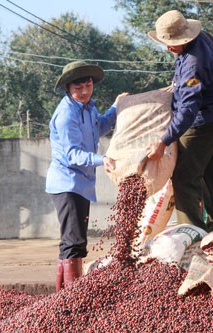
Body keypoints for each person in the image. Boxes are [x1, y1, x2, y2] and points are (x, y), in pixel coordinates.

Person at [146, 10, 213, 233]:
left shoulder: (192, 65)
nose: (168, 47)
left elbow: (188, 110)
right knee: (212, 177)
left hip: (202, 123)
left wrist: (164, 140)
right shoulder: (205, 38)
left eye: (173, 43)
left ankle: (191, 234)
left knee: (185, 178)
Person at [46, 60, 128, 291]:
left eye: (88, 86)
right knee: (73, 242)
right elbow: (72, 154)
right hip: (67, 184)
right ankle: (71, 296)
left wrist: (116, 107)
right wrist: (103, 159)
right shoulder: (65, 115)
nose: (84, 92)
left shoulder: (89, 108)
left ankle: (63, 296)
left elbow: (100, 127)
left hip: (81, 184)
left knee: (76, 241)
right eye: (78, 88)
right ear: (68, 89)